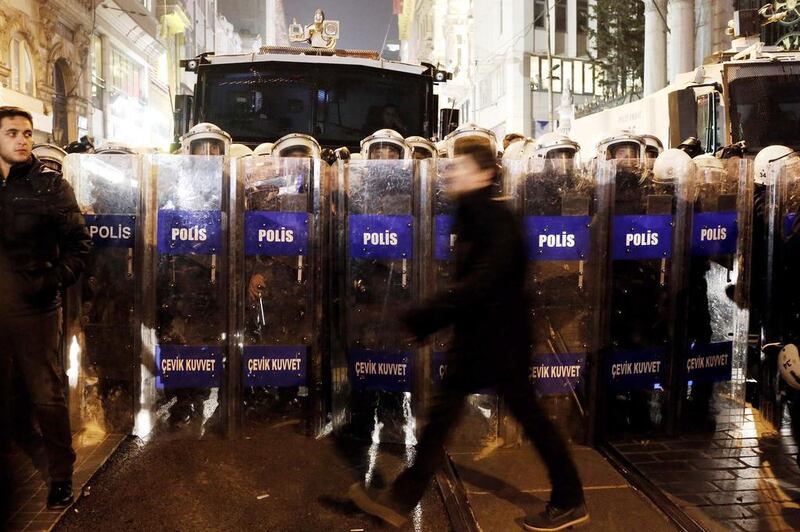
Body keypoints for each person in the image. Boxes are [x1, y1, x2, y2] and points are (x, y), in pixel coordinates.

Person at [347, 139, 587, 531]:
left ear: (484, 174)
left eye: (460, 167)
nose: (451, 172)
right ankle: (400, 500)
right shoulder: (474, 216)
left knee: (527, 419)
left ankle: (570, 497)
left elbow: (481, 284)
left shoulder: (497, 220)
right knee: (443, 419)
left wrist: (426, 316)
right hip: (482, 339)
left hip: (498, 342)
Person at [0, 106, 91, 508]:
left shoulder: (50, 186)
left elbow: (79, 246)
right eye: (12, 133)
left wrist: (49, 282)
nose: (23, 139)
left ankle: (60, 476)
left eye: (27, 133)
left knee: (46, 394)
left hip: (35, 307)